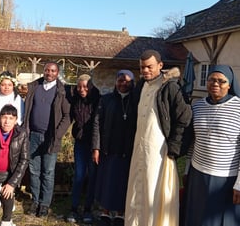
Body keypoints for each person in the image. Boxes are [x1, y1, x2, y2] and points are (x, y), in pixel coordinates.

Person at [125, 49, 192, 226]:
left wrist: (174, 148)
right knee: (137, 189)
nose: (145, 71)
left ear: (160, 65)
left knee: (153, 191)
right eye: (142, 67)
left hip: (160, 152)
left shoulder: (170, 87)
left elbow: (184, 118)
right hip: (139, 149)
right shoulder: (141, 86)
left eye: (149, 67)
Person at [183, 65, 240, 226]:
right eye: (211, 80)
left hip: (226, 179)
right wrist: (187, 169)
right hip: (198, 173)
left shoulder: (238, 108)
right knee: (196, 217)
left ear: (229, 84)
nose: (215, 84)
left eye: (221, 81)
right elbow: (193, 141)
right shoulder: (197, 106)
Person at [24, 61, 71, 217]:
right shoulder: (35, 87)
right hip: (33, 136)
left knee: (48, 172)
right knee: (34, 171)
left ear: (57, 73)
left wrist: (57, 135)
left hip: (50, 138)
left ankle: (45, 204)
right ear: (43, 71)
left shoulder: (61, 91)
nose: (49, 73)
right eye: (46, 70)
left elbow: (67, 116)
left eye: (53, 71)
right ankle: (35, 201)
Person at [93, 70, 137, 226]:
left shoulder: (136, 101)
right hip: (108, 148)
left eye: (126, 81)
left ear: (132, 82)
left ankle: (120, 214)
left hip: (128, 149)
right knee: (107, 181)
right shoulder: (106, 100)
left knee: (123, 182)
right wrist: (96, 148)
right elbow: (97, 124)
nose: (123, 83)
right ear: (115, 82)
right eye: (120, 80)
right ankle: (105, 212)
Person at [65, 74, 100, 224]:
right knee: (79, 175)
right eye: (79, 86)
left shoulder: (98, 100)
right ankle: (74, 207)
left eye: (85, 86)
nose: (82, 89)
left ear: (91, 86)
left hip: (93, 143)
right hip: (80, 142)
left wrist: (96, 147)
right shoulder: (75, 99)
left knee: (92, 175)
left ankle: (88, 208)